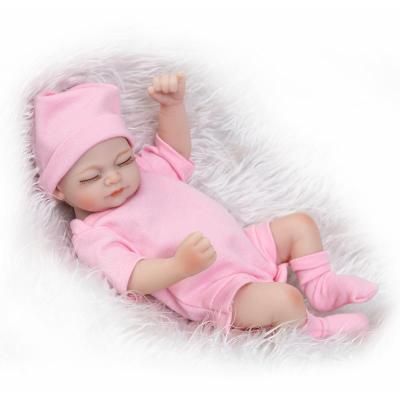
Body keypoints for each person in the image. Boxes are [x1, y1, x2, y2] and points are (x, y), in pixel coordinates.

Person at [33, 73, 378, 339]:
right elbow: (134, 277)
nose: (114, 178)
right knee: (285, 300)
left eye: (123, 160)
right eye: (92, 177)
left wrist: (172, 106)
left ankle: (321, 284)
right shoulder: (94, 232)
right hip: (212, 285)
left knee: (299, 225)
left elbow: (173, 151)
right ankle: (313, 329)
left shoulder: (147, 172)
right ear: (59, 189)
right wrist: (179, 266)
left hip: (242, 245)